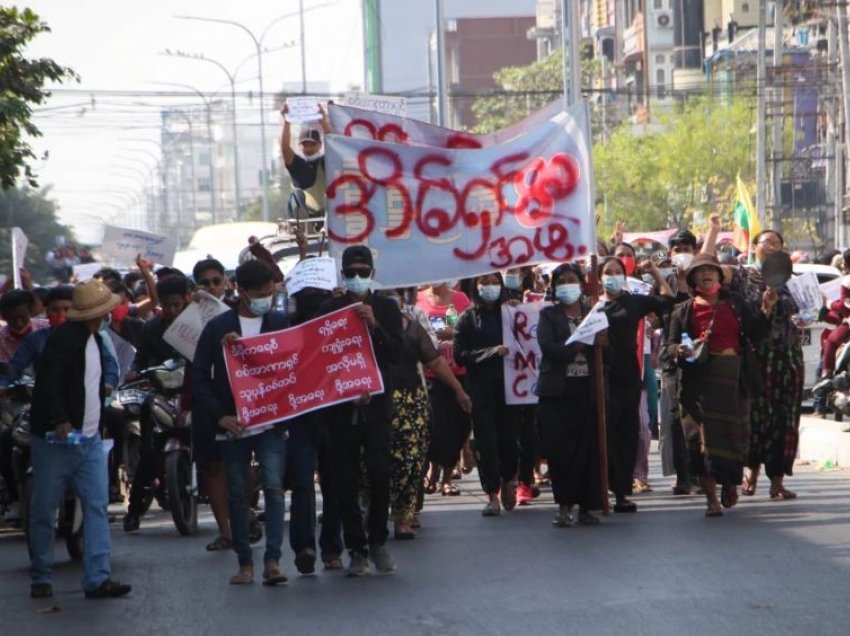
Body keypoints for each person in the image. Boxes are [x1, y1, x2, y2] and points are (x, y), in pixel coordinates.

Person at [28, 279, 131, 599]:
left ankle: (98, 577)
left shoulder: (95, 340)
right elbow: (50, 384)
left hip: (87, 439)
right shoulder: (64, 341)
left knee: (95, 507)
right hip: (57, 441)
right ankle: (42, 576)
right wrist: (61, 419)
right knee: (45, 509)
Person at [193, 260, 291, 585]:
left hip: (270, 425)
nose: (266, 298)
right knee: (238, 493)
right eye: (260, 293)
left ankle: (273, 561)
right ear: (243, 292)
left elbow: (292, 366)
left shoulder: (279, 323)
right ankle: (245, 562)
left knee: (274, 489)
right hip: (232, 425)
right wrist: (220, 415)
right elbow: (199, 377)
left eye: (270, 292)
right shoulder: (217, 328)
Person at [316, 245, 403, 576]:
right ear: (342, 274)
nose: (356, 278)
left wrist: (376, 325)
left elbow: (396, 353)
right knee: (344, 481)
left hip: (378, 408)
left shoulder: (386, 308)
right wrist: (347, 391)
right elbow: (322, 358)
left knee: (380, 473)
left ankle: (378, 539)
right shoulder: (330, 308)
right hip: (342, 410)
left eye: (362, 272)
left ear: (372, 274)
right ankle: (356, 548)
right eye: (350, 272)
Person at [667, 254, 774, 517]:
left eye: (710, 270)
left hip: (734, 383)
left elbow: (757, 333)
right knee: (700, 444)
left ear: (719, 276)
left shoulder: (736, 304)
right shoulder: (683, 311)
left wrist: (766, 309)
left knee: (734, 440)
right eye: (699, 271)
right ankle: (711, 500)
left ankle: (729, 484)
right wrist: (681, 349)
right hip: (697, 387)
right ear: (692, 279)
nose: (705, 275)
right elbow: (668, 348)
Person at [378, 287, 472, 538]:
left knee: (411, 461)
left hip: (411, 401)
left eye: (394, 295)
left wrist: (458, 391)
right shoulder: (364, 327)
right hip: (376, 404)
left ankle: (404, 517)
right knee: (377, 463)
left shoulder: (411, 327)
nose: (390, 301)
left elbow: (436, 361)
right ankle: (375, 514)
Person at [730, 230, 804, 500]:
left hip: (788, 357)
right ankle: (750, 473)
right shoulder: (743, 277)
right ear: (754, 247)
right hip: (755, 357)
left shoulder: (795, 282)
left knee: (785, 420)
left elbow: (810, 311)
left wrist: (806, 316)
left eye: (777, 243)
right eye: (766, 243)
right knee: (755, 416)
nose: (772, 247)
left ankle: (778, 482)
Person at [599, 255, 674, 512]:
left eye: (616, 271)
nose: (611, 276)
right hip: (600, 380)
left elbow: (667, 299)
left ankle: (621, 492)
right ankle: (600, 490)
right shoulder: (591, 306)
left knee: (626, 435)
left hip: (628, 377)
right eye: (607, 272)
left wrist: (654, 272)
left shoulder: (632, 302)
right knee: (602, 435)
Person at [536, 263, 604, 527]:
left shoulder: (593, 313)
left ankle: (587, 506)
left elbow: (605, 347)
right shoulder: (549, 316)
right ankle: (564, 506)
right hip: (557, 393)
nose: (567, 285)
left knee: (588, 449)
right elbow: (550, 348)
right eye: (562, 281)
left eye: (572, 279)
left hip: (587, 390)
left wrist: (600, 342)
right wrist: (578, 343)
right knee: (560, 451)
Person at [122, 275, 191, 532]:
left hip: (194, 393)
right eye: (167, 305)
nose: (172, 310)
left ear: (186, 299)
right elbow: (140, 360)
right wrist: (135, 371)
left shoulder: (199, 325)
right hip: (161, 393)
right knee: (150, 451)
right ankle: (134, 511)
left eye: (177, 304)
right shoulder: (151, 329)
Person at [454, 272, 520, 517]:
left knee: (510, 439)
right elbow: (460, 355)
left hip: (510, 386)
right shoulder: (467, 319)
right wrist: (491, 352)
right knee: (485, 441)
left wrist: (519, 311)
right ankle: (492, 493)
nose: (490, 287)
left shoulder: (511, 313)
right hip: (481, 388)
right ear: (475, 287)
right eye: (484, 283)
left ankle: (509, 478)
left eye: (494, 282)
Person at [189, 258, 233, 552]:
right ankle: (226, 531)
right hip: (205, 400)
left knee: (246, 464)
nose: (211, 288)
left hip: (240, 398)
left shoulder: (238, 313)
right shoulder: (187, 316)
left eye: (216, 282)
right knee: (213, 467)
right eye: (204, 283)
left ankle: (245, 517)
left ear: (226, 283)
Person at [416, 281, 473, 496]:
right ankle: (433, 470)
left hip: (460, 372)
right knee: (434, 425)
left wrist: (455, 334)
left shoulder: (461, 300)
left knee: (458, 426)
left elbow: (471, 328)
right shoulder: (418, 299)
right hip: (430, 374)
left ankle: (447, 478)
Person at [0, 289, 49, 524]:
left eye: (22, 317)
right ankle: (13, 497)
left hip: (49, 401)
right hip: (13, 405)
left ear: (32, 311)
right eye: (12, 319)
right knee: (5, 439)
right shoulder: (1, 339)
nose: (18, 324)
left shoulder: (47, 331)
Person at [659, 229, 698, 494]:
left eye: (686, 248)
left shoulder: (704, 279)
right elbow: (663, 311)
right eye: (677, 249)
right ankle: (683, 476)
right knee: (675, 417)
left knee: (698, 416)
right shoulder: (665, 282)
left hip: (702, 358)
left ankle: (701, 473)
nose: (682, 253)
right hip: (673, 359)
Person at [280, 103, 331, 217]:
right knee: (296, 195)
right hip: (303, 215)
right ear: (299, 145)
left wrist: (322, 119)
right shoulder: (297, 164)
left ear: (319, 145)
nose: (308, 147)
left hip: (325, 214)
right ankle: (302, 223)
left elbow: (333, 142)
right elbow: (285, 148)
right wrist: (286, 121)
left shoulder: (325, 161)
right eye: (304, 144)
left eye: (312, 144)